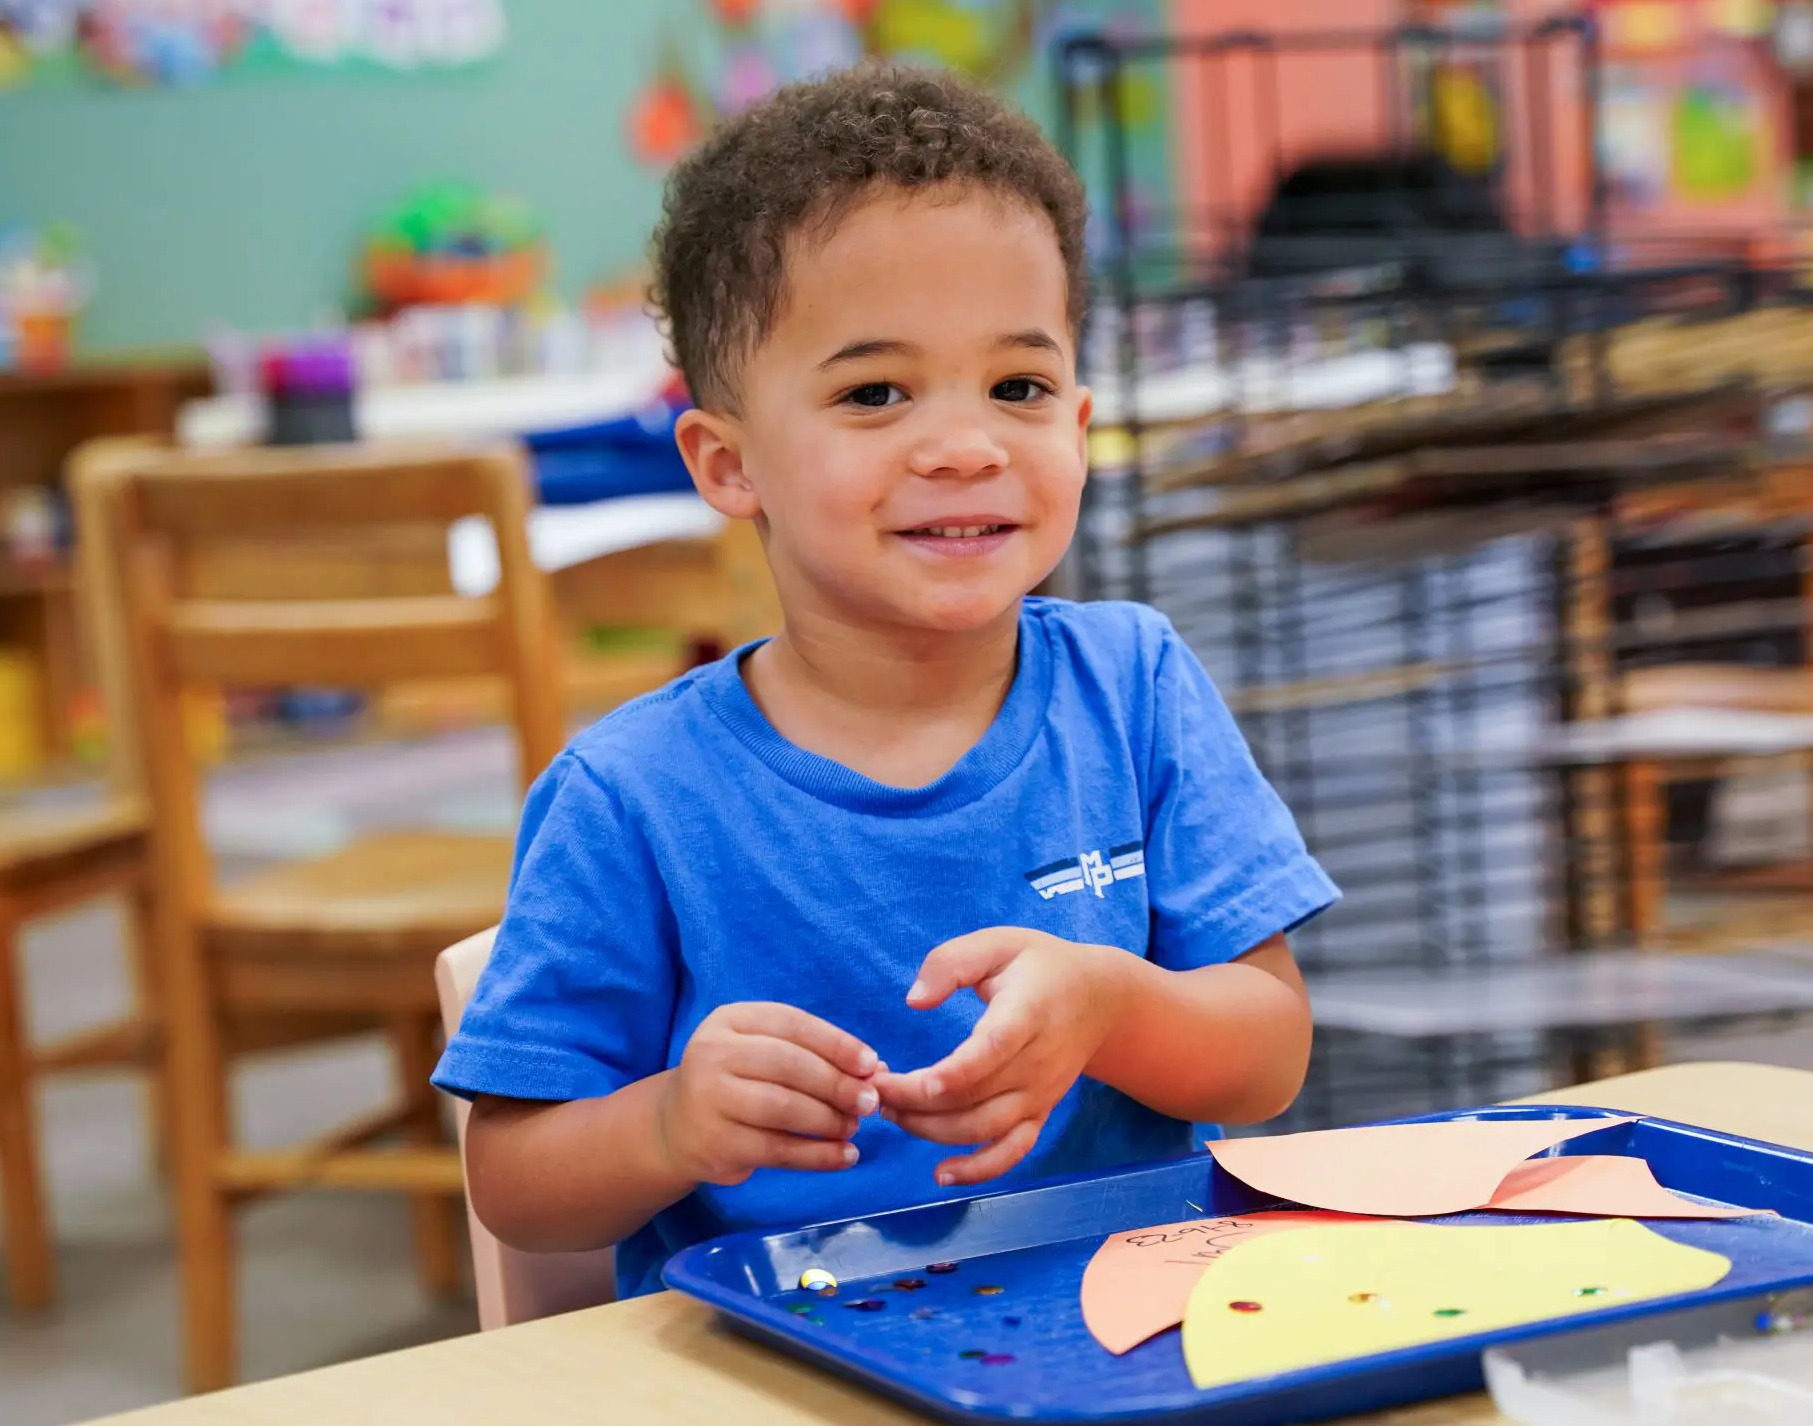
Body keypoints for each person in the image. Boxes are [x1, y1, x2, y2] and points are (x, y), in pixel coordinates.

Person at [438, 63, 1338, 1297]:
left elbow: (1268, 1055)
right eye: (875, 392)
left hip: (1131, 1321)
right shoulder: (632, 794)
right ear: (727, 462)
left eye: (1017, 388)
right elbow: (516, 1182)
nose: (966, 447)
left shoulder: (1132, 688)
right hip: (779, 1382)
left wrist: (1113, 1008)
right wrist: (668, 1126)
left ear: (1077, 425)